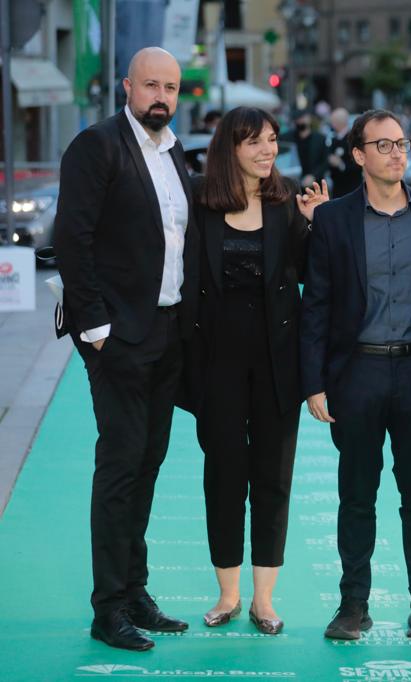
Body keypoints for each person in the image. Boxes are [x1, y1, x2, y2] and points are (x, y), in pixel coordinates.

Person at [52, 46, 198, 651]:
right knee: (120, 467)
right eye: (150, 85)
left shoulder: (175, 153)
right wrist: (97, 330)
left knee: (148, 464)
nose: (161, 96)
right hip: (118, 337)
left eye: (171, 87)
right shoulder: (98, 145)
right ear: (127, 87)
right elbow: (72, 238)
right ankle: (107, 606)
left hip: (167, 331)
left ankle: (135, 592)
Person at [300, 109, 411, 642]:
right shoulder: (334, 220)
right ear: (359, 155)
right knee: (357, 494)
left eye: (401, 144)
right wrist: (313, 383)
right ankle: (353, 604)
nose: (395, 153)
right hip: (357, 372)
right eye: (382, 145)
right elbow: (315, 305)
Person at [180, 107, 329, 635]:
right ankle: (227, 594)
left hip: (276, 362)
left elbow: (313, 276)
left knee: (273, 477)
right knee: (223, 474)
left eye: (271, 140)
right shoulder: (199, 201)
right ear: (230, 149)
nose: (268, 151)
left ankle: (264, 600)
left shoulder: (287, 204)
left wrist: (317, 225)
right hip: (215, 361)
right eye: (255, 143)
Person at [283, 110, 330, 188]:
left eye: (303, 118)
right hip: (291, 184)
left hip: (314, 185)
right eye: (298, 118)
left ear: (309, 119)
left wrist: (313, 176)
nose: (300, 121)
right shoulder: (286, 138)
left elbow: (325, 161)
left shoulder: (320, 139)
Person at [327, 107, 362, 198]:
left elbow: (359, 164)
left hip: (352, 188)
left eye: (333, 121)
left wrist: (341, 164)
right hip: (337, 188)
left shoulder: (354, 139)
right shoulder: (333, 139)